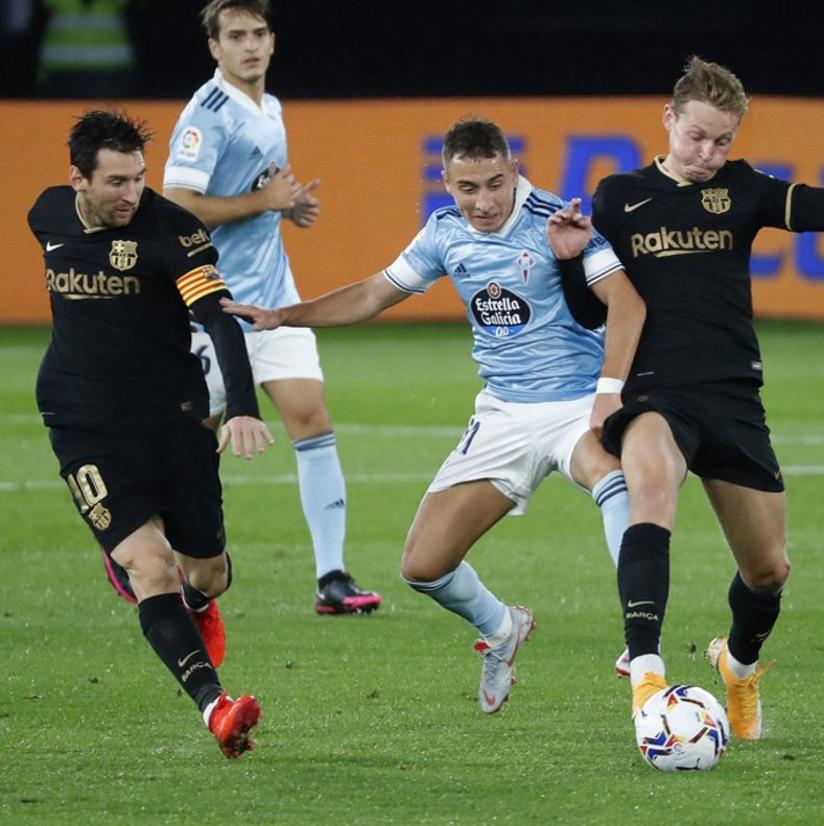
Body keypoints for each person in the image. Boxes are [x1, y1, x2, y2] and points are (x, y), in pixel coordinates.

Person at [224, 117, 646, 713]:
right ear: (446, 183)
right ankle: (502, 627)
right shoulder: (444, 233)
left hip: (575, 403)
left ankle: (641, 640)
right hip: (502, 412)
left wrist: (608, 391)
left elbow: (626, 300)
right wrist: (284, 316)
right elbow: (374, 293)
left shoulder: (556, 219)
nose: (484, 202)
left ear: (514, 171)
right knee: (422, 566)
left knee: (611, 477)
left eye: (496, 184)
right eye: (467, 188)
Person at [583, 56, 824, 739]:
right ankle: (647, 680)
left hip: (732, 399)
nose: (708, 153)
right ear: (668, 119)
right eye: (697, 136)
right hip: (655, 394)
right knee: (653, 495)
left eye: (723, 140)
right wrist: (566, 256)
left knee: (768, 571)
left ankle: (738, 665)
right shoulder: (618, 197)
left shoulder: (744, 189)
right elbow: (587, 309)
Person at [30, 110, 274, 758]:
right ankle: (217, 709)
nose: (132, 194)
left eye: (139, 179)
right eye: (116, 182)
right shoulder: (47, 216)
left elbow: (220, 323)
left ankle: (198, 599)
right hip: (82, 425)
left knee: (210, 573)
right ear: (76, 178)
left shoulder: (173, 230)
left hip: (173, 421)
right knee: (150, 567)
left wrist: (244, 407)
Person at [161, 0, 380, 615]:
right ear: (214, 47)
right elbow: (176, 205)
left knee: (310, 416)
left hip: (274, 299)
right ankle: (154, 547)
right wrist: (262, 201)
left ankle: (332, 578)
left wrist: (286, 207)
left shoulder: (270, 106)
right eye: (236, 36)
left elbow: (261, 189)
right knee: (193, 440)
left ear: (273, 40)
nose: (249, 45)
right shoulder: (206, 117)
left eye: (258, 33)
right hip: (210, 304)